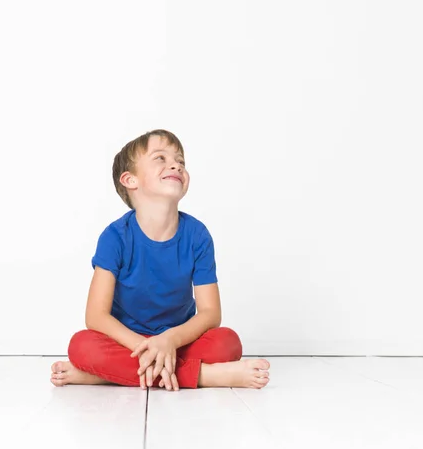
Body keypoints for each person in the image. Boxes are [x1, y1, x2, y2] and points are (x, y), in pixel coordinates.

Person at [50, 129, 270, 390]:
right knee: (82, 345)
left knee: (227, 343)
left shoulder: (197, 235)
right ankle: (205, 377)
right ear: (130, 180)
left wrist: (169, 340)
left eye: (180, 161)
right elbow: (96, 316)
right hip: (128, 342)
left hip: (178, 341)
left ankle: (100, 375)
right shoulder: (114, 237)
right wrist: (148, 347)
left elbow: (211, 313)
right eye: (160, 158)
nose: (175, 164)